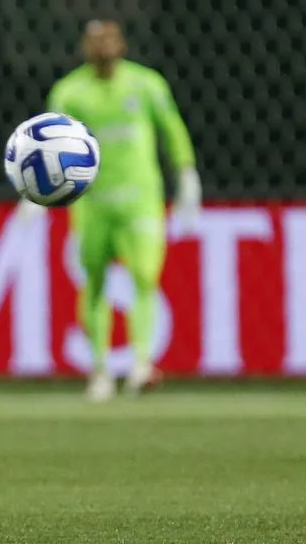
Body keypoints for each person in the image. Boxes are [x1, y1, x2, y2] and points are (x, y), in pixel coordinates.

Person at [20, 20, 200, 402]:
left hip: (140, 201)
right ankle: (99, 371)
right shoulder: (69, 92)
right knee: (95, 283)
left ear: (122, 44)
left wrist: (186, 173)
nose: (102, 47)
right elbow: (47, 147)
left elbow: (172, 128)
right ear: (84, 48)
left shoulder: (146, 84)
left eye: (108, 40)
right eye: (95, 41)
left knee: (145, 276)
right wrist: (35, 194)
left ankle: (141, 365)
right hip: (92, 204)